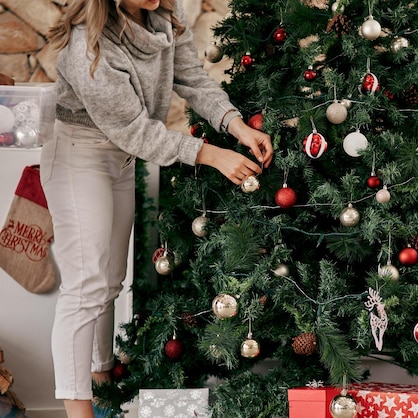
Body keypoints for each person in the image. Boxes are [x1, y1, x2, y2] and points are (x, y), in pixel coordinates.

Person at [41, 0, 273, 417]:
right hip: (80, 154)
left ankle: (101, 386)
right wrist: (212, 155)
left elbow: (193, 80)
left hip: (121, 158)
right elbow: (135, 129)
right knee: (86, 287)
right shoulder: (88, 44)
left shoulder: (162, 18)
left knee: (109, 281)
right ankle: (78, 413)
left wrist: (237, 125)